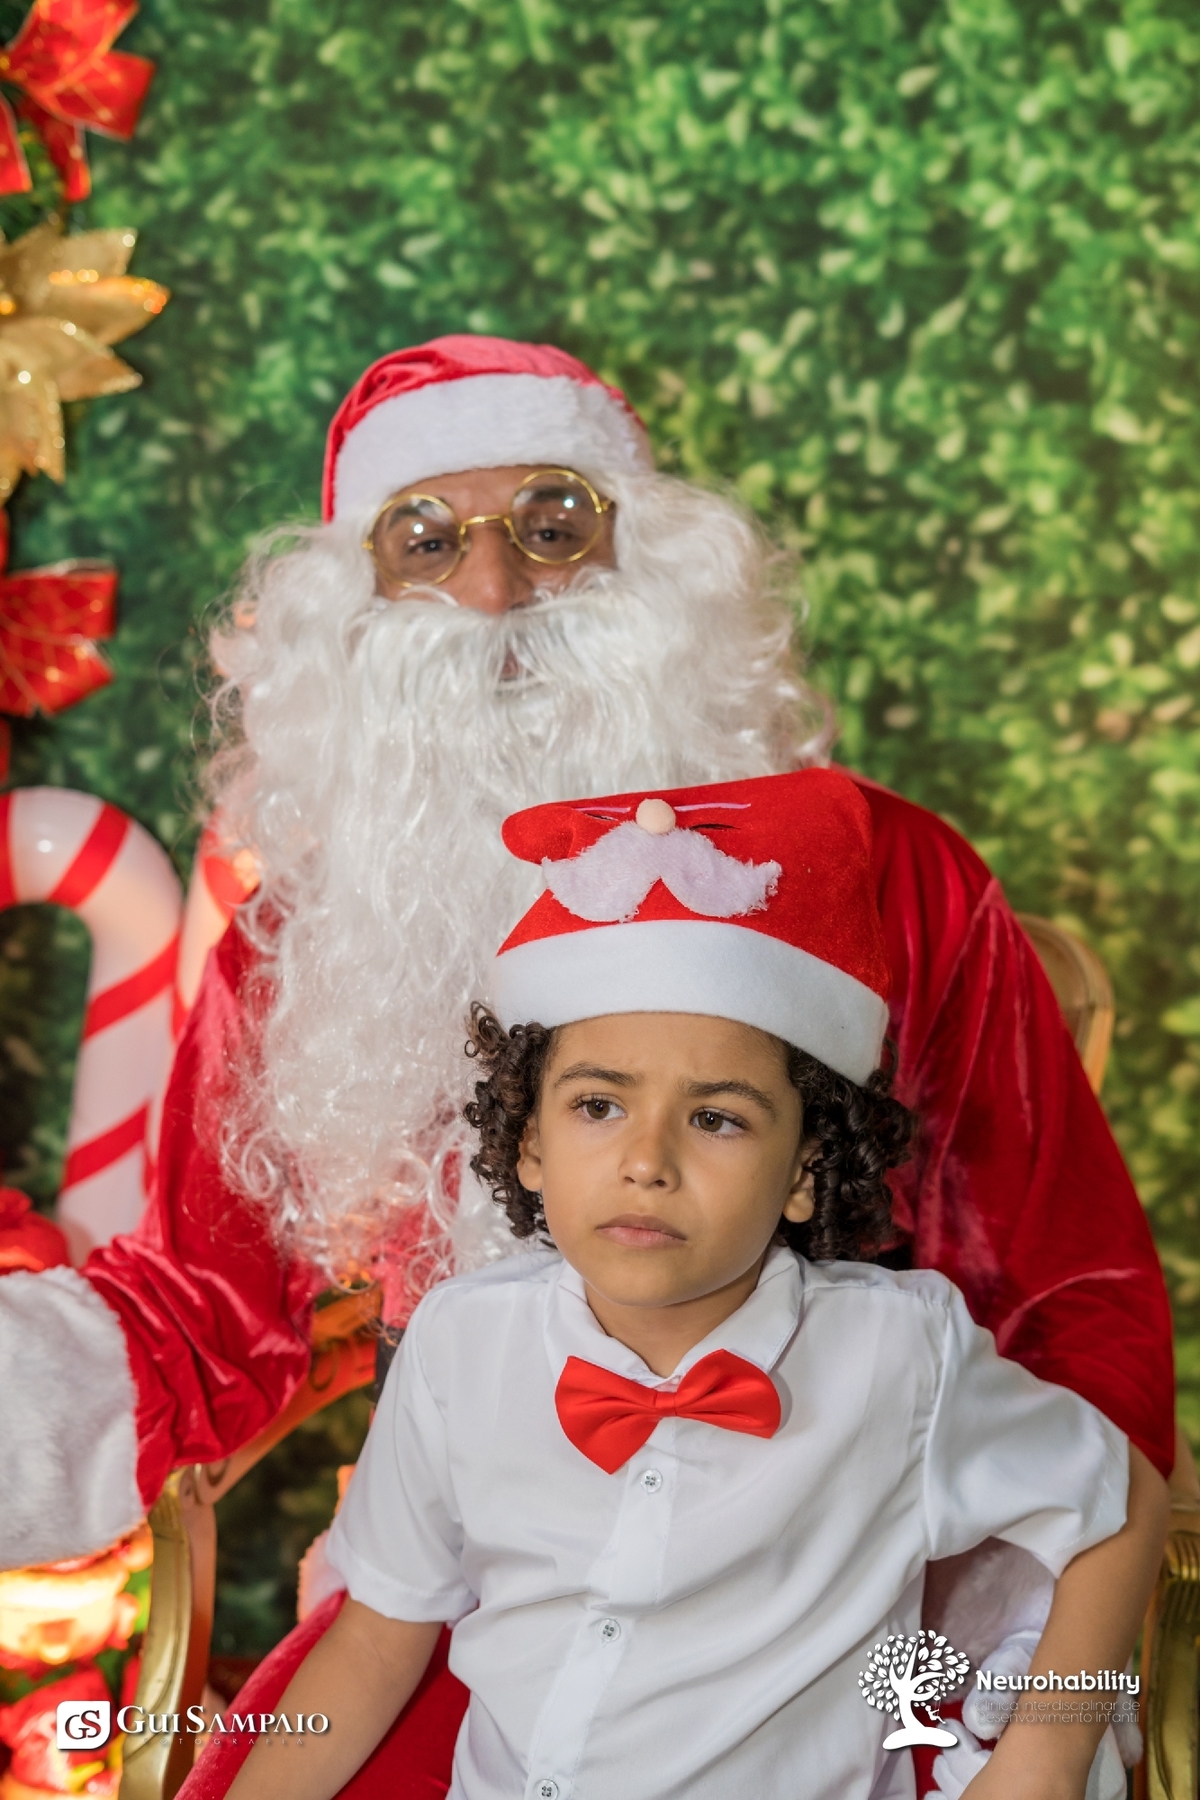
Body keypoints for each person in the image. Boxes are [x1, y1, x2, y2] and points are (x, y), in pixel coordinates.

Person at [0, 338, 1177, 1797]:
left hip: (860, 1597)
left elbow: (1074, 1316)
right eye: (426, 540)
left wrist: (1030, 1719)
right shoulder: (316, 931)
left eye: (555, 524)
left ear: (658, 561)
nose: (497, 590)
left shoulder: (889, 878)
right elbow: (205, 1309)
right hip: (473, 1599)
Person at [224, 771, 1169, 1800]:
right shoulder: (461, 1345)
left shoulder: (903, 1357)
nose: (648, 1161)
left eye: (717, 1118)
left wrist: (1043, 1757)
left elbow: (1123, 1507)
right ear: (530, 1142)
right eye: (598, 1106)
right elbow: (376, 1637)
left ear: (804, 1170)